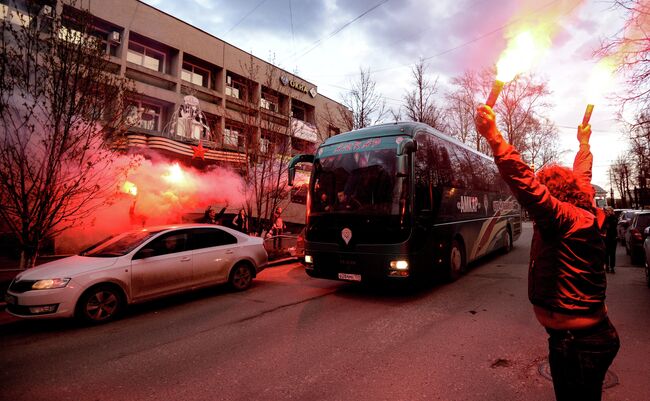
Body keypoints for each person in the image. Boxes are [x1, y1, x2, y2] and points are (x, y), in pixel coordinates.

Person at [475, 104, 619, 401]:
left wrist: (494, 137)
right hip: (580, 339)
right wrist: (583, 144)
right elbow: (583, 174)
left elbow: (525, 183)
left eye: (544, 188)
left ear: (552, 194)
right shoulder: (582, 209)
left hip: (578, 344)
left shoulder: (564, 219)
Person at [603, 207, 618, 274]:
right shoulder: (604, 218)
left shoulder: (614, 218)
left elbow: (612, 226)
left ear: (611, 211)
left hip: (613, 238)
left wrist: (608, 218)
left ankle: (612, 267)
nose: (607, 212)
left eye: (609, 210)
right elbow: (603, 226)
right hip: (606, 238)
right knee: (606, 253)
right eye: (607, 210)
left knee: (612, 253)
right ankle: (607, 266)